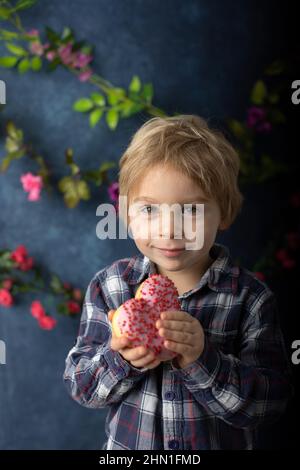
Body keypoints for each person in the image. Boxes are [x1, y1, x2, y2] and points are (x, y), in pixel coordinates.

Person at [63, 114, 292, 450]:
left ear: (225, 212)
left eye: (190, 210)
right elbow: (81, 387)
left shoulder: (249, 299)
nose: (169, 229)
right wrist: (120, 359)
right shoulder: (110, 287)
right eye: (150, 210)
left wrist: (202, 359)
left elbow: (268, 404)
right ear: (126, 214)